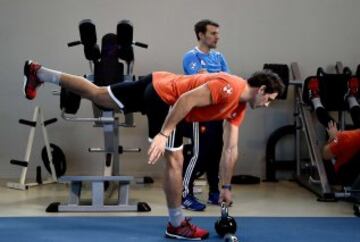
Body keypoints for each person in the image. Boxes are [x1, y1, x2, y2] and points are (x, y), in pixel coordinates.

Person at [23, 60, 284, 240]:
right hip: (165, 100)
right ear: (262, 90)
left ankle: (40, 73)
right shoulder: (230, 87)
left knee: (99, 95)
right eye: (269, 99)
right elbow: (186, 100)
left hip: (158, 82)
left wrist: (226, 188)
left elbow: (231, 148)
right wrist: (163, 133)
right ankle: (176, 224)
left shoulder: (238, 106)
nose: (267, 105)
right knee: (175, 160)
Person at [181, 19, 230, 211]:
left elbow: (228, 82)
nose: (217, 37)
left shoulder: (219, 56)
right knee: (198, 154)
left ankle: (214, 193)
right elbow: (203, 82)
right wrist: (215, 79)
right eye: (213, 33)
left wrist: (214, 78)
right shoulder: (190, 56)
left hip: (217, 114)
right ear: (201, 35)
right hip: (198, 114)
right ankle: (185, 195)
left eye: (217, 33)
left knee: (215, 153)